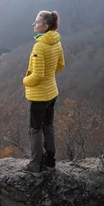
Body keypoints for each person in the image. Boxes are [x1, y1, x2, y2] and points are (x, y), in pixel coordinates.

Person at [22, 10, 65, 173]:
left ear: (45, 26)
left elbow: (37, 75)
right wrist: (48, 76)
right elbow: (61, 65)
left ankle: (34, 165)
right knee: (48, 126)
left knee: (35, 129)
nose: (34, 24)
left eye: (37, 22)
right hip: (52, 93)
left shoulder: (40, 46)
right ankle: (49, 161)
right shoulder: (56, 42)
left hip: (39, 96)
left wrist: (25, 80)